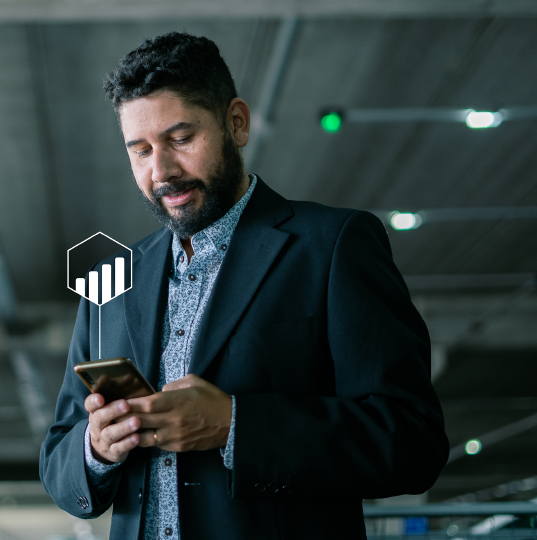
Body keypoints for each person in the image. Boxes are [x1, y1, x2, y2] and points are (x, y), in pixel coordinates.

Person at [39, 31, 448, 540]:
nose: (160, 171)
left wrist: (237, 425)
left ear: (236, 122)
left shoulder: (332, 245)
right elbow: (58, 460)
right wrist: (95, 449)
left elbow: (413, 442)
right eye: (140, 150)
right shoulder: (111, 274)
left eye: (181, 139)